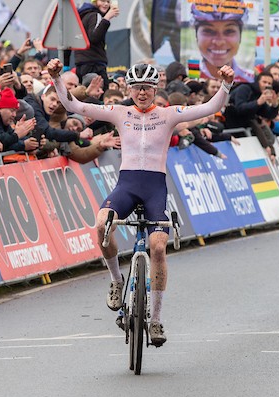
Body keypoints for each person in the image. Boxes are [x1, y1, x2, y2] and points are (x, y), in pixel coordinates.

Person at [47, 59, 235, 346]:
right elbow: (74, 106)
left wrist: (225, 84)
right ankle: (116, 280)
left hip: (154, 188)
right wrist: (56, 77)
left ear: (155, 88)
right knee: (101, 224)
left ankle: (156, 319)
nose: (142, 93)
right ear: (129, 88)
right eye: (136, 88)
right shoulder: (120, 113)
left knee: (158, 247)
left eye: (147, 88)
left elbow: (210, 107)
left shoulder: (169, 114)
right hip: (127, 184)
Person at [190, 1, 254, 83]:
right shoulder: (189, 76)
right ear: (196, 35)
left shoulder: (249, 79)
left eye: (229, 31)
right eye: (208, 31)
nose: (219, 42)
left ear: (240, 36)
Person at [75, 0, 120, 90]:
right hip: (94, 65)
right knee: (100, 96)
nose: (106, 4)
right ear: (95, 2)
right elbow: (94, 37)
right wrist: (107, 18)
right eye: (102, 1)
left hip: (82, 64)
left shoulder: (83, 16)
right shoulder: (95, 15)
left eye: (108, 1)